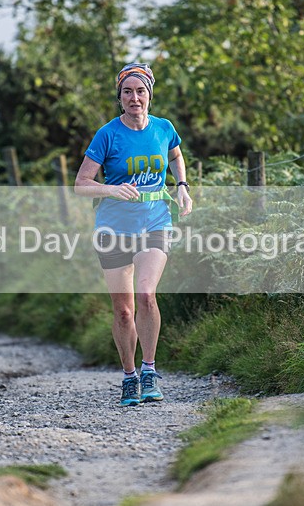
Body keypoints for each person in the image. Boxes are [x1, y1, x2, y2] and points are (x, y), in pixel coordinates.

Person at [74, 62, 193, 407]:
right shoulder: (107, 134)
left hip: (156, 220)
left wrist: (182, 186)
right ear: (120, 97)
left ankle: (150, 370)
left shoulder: (164, 128)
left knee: (146, 294)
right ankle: (129, 377)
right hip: (113, 228)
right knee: (123, 310)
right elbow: (81, 185)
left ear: (150, 95)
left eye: (141, 91)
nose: (135, 98)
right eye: (128, 92)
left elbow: (175, 154)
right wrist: (111, 190)